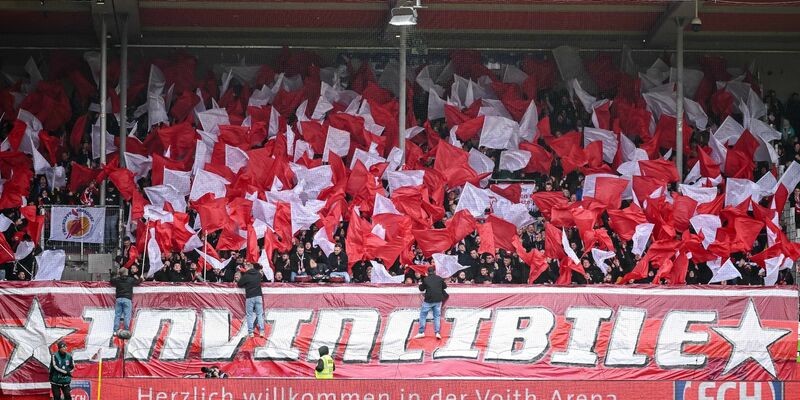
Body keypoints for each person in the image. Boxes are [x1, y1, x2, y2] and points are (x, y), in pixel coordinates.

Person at [414, 266, 446, 340]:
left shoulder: (426, 279)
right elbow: (445, 286)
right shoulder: (439, 278)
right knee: (437, 316)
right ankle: (437, 333)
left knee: (423, 315)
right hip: (438, 300)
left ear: (428, 272)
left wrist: (420, 283)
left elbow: (421, 289)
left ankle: (421, 332)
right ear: (434, 272)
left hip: (428, 300)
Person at [110, 267, 142, 336]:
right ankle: (126, 330)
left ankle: (115, 331)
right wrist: (141, 278)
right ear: (126, 273)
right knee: (127, 315)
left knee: (117, 315)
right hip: (127, 299)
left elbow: (111, 281)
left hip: (118, 299)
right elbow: (138, 282)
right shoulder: (130, 280)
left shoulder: (117, 280)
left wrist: (112, 275)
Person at [238, 263, 265, 338]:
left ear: (247, 268)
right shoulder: (258, 274)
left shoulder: (246, 276)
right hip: (258, 296)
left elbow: (239, 284)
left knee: (249, 315)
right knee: (259, 314)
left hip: (250, 297)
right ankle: (262, 331)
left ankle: (251, 332)